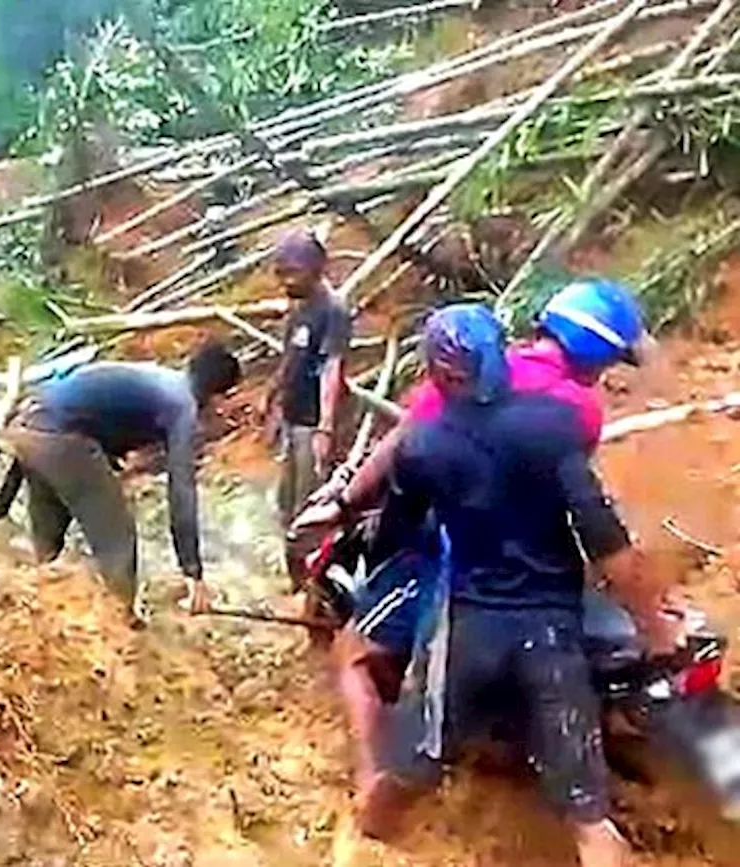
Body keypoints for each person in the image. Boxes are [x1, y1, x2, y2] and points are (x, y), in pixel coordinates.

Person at [355, 301, 682, 867]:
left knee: (403, 776)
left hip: (466, 633)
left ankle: (357, 845)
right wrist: (655, 630)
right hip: (552, 637)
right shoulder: (557, 428)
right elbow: (610, 549)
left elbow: (395, 540)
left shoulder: (422, 447)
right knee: (589, 818)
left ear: (436, 370)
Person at [293, 277, 653, 529]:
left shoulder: (475, 367)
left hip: (438, 521)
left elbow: (404, 434)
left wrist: (343, 504)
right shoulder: (580, 410)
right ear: (597, 353)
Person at [328, 303, 507, 794]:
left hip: (459, 576)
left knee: (354, 649)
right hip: (539, 570)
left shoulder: (434, 437)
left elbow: (396, 514)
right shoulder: (546, 414)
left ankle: (375, 780)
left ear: (440, 370)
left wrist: (350, 510)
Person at [0, 339, 242, 623]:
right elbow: (181, 491)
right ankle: (121, 621)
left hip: (28, 425)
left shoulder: (159, 379)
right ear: (219, 394)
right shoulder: (181, 405)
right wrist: (192, 571)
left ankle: (38, 597)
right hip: (58, 438)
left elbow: (95, 412)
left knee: (49, 520)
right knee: (117, 536)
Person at [261, 228, 351, 526]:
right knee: (285, 500)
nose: (286, 281)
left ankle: (306, 566)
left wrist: (325, 429)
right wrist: (273, 398)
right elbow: (292, 357)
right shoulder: (301, 307)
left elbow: (331, 368)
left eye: (294, 273)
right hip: (293, 417)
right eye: (281, 273)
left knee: (307, 506)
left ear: (317, 268)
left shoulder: (333, 310)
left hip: (313, 423)